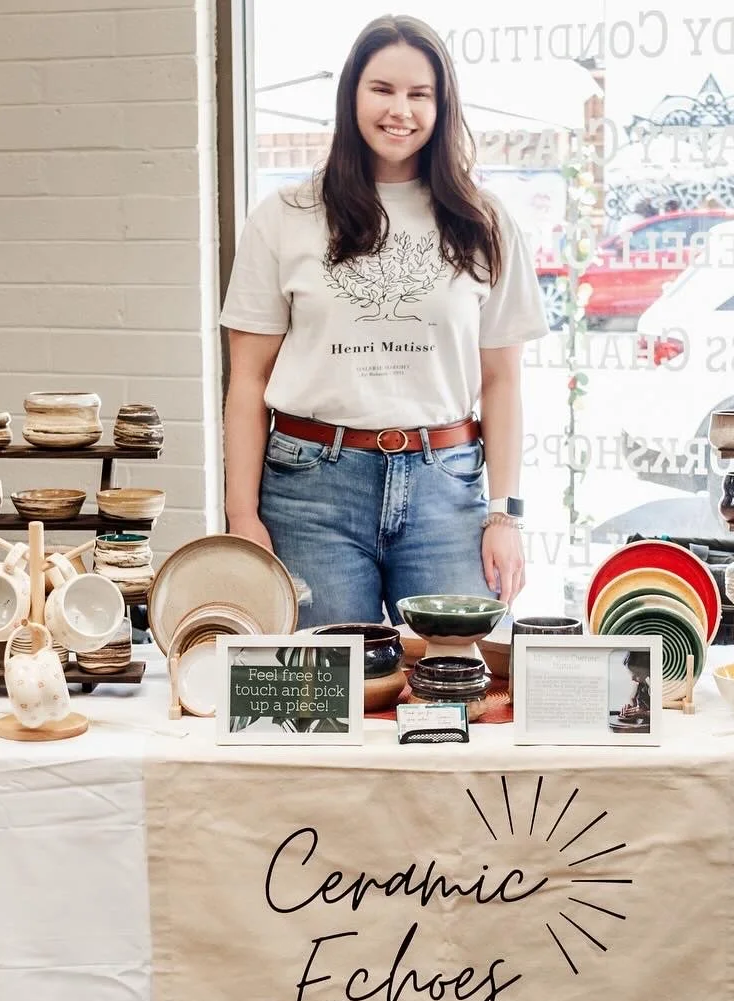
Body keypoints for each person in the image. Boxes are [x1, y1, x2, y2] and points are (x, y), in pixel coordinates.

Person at [220, 15, 548, 627]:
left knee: (454, 694)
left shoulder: (484, 222)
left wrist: (505, 516)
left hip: (445, 489)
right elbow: (246, 382)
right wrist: (243, 517)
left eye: (419, 94)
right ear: (351, 96)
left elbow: (502, 381)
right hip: (310, 490)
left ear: (442, 105)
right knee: (326, 699)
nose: (401, 110)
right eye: (382, 89)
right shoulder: (285, 216)